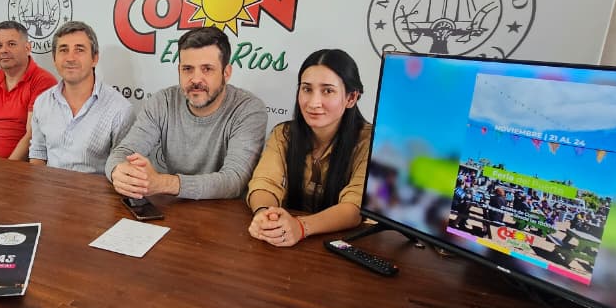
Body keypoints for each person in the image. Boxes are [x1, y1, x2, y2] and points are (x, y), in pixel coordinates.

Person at [106, 26, 267, 200]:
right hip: (173, 207)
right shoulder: (163, 101)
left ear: (226, 73)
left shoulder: (248, 109)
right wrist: (118, 171)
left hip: (224, 211)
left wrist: (163, 183)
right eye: (188, 69)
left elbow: (234, 180)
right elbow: (123, 151)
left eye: (207, 69)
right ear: (179, 70)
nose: (196, 79)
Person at [247, 49, 373, 247]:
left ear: (351, 98)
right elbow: (264, 183)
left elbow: (355, 208)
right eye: (307, 89)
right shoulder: (283, 134)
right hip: (288, 245)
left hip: (346, 247)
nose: (314, 103)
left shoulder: (371, 142)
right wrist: (265, 215)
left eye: (328, 91)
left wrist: (301, 226)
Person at [28, 21, 133, 173]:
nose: (70, 58)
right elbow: (38, 153)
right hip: (48, 186)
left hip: (96, 188)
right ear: (54, 59)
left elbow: (123, 169)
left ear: (94, 58)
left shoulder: (120, 110)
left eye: (79, 50)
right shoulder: (43, 102)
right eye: (64, 50)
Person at [0, 20, 57, 159]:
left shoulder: (43, 81)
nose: (4, 50)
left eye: (11, 44)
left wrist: (6, 168)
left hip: (22, 167)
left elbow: (32, 135)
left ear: (27, 48)